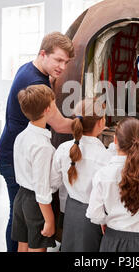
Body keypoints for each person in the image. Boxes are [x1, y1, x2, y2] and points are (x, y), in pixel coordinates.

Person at [0, 32, 75, 252]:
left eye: (66, 62)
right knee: (26, 220)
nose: (62, 67)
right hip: (17, 159)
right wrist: (86, 122)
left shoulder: (28, 68)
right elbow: (59, 125)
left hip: (12, 151)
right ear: (43, 53)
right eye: (58, 60)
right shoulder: (36, 82)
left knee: (18, 217)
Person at [86, 117, 139, 252]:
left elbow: (94, 213)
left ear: (115, 140)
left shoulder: (103, 175)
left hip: (111, 238)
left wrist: (104, 221)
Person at [51, 98, 109, 251]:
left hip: (70, 210)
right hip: (95, 216)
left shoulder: (63, 149)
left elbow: (52, 184)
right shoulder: (106, 157)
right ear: (101, 122)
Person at [11, 84, 57, 252]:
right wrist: (50, 219)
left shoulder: (22, 136)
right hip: (36, 204)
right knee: (37, 248)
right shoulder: (42, 146)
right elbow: (41, 187)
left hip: (21, 197)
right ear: (47, 110)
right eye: (54, 103)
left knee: (22, 246)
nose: (55, 106)